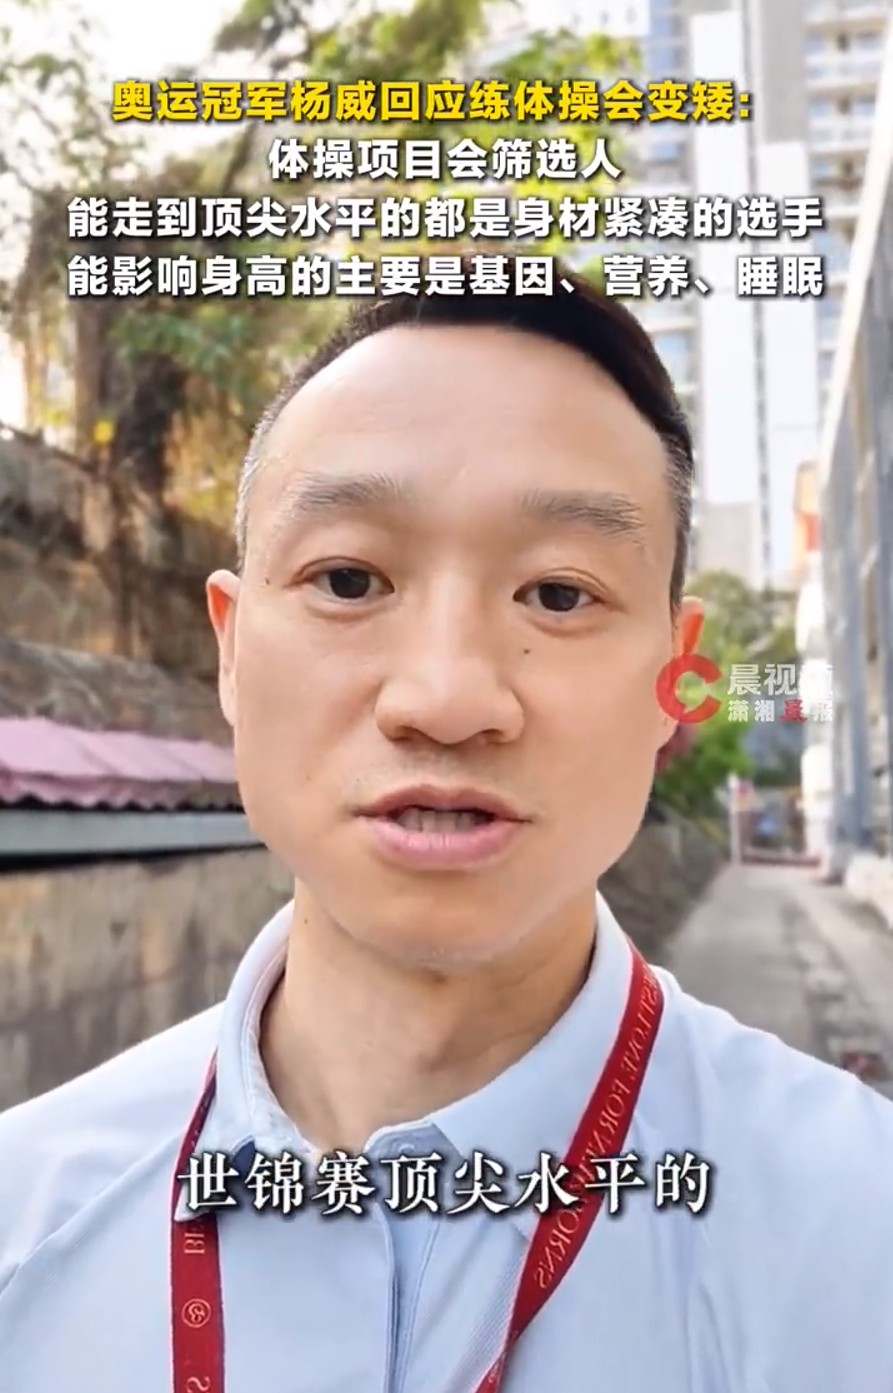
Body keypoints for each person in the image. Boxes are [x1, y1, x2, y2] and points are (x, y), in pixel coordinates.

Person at [2, 255, 892, 1393]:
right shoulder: (27, 1223)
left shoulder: (855, 1231)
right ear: (231, 649)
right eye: (347, 580)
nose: (446, 697)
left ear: (675, 677)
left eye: (558, 594)